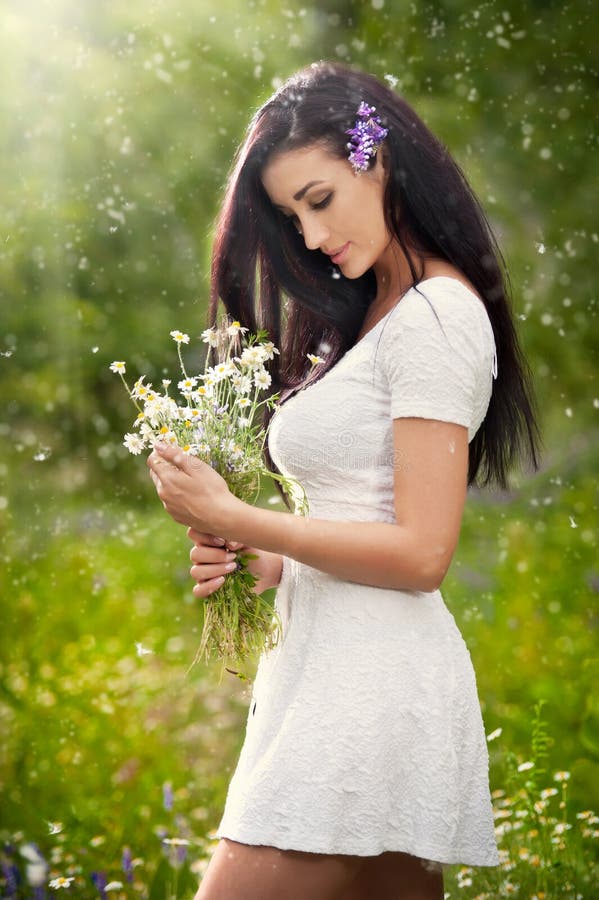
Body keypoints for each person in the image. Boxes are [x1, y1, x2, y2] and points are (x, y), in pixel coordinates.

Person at [147, 61, 541, 900]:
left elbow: (422, 553)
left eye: (319, 199)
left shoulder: (436, 314)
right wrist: (272, 564)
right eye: (293, 217)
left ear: (379, 157)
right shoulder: (376, 314)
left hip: (368, 688)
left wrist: (240, 517)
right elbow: (367, 520)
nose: (312, 236)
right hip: (333, 672)